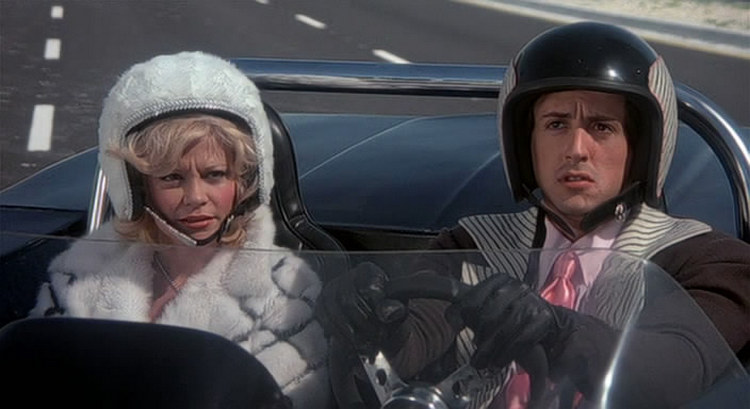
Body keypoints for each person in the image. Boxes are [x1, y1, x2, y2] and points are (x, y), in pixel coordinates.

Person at [316, 22, 750, 408]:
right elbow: (419, 338)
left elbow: (672, 371)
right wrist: (375, 323)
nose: (576, 149)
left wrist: (558, 330)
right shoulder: (472, 244)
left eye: (602, 127)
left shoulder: (707, 260)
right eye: (556, 124)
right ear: (527, 144)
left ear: (642, 148)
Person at [29, 51, 330, 408]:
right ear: (138, 186)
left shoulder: (285, 288)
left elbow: (291, 401)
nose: (195, 197)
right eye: (171, 177)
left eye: (215, 174)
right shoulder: (79, 276)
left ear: (244, 180)